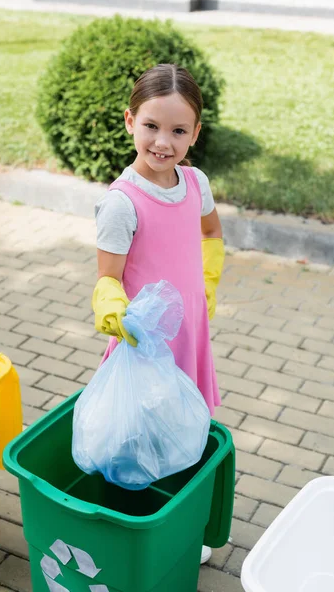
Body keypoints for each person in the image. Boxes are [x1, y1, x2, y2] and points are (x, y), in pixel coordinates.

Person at [92, 63, 225, 564]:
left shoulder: (195, 184)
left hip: (189, 333)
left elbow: (210, 234)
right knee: (140, 434)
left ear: (195, 133)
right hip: (144, 342)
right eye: (151, 126)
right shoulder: (122, 204)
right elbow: (108, 278)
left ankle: (181, 520)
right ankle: (140, 528)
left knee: (185, 425)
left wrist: (205, 286)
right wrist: (114, 313)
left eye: (177, 130)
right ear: (129, 121)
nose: (162, 142)